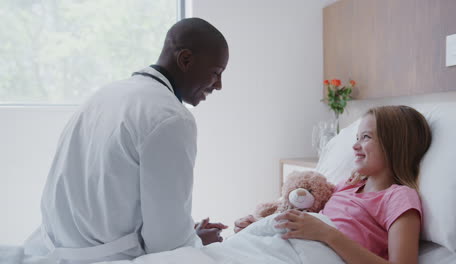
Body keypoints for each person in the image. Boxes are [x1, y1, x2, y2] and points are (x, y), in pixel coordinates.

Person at [24, 17, 229, 263]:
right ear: (185, 60)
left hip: (52, 247)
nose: (218, 85)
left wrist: (189, 233)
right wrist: (193, 242)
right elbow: (167, 243)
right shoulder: (171, 117)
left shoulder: (105, 95)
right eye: (215, 73)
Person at [235, 105, 432, 263]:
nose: (355, 146)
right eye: (356, 138)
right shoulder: (347, 186)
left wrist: (327, 234)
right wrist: (262, 227)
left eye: (366, 137)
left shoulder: (399, 197)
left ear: (394, 145)